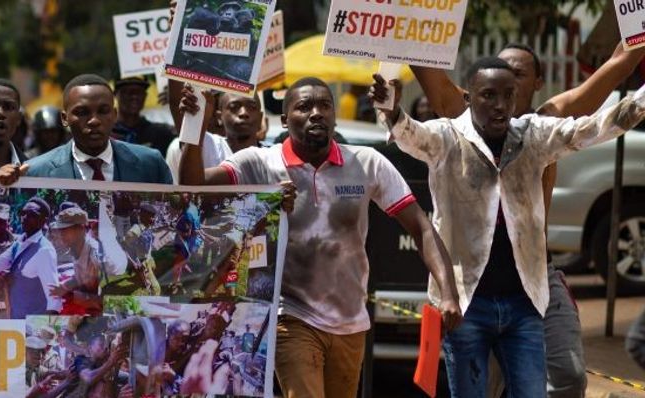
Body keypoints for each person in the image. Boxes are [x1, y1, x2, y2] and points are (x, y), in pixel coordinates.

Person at [369, 55, 645, 397]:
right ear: (469, 98)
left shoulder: (533, 133)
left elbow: (593, 128)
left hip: (524, 303)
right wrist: (390, 109)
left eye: (508, 96)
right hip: (466, 306)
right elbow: (409, 134)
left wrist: (641, 99)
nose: (500, 106)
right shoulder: (447, 138)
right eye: (488, 96)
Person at [178, 78, 462, 398]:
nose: (316, 113)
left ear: (334, 116)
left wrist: (448, 291)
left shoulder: (367, 163)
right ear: (285, 121)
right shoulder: (258, 163)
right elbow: (192, 188)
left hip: (351, 323)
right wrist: (194, 129)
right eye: (304, 107)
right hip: (291, 317)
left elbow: (422, 227)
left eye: (324, 106)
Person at [0, 74, 173, 185]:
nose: (94, 121)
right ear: (65, 119)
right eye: (82, 112)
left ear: (114, 115)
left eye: (103, 111)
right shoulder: (35, 173)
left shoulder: (151, 164)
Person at [0, 197, 61, 319]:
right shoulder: (19, 244)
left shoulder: (44, 251)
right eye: (23, 213)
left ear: (43, 221)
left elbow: (54, 300)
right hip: (14, 318)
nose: (25, 218)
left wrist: (43, 330)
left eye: (32, 215)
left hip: (30, 323)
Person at [48, 207, 116, 316]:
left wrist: (75, 296)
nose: (61, 235)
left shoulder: (96, 256)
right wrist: (63, 287)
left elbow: (110, 301)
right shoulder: (77, 248)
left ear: (81, 229)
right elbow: (80, 278)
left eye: (65, 230)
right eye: (60, 230)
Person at [111, 77, 174, 153]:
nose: (134, 97)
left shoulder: (161, 133)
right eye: (128, 92)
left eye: (139, 92)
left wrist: (176, 104)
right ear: (115, 95)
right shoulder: (106, 134)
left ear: (145, 95)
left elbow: (185, 143)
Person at [122, 204, 161, 295]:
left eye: (154, 216)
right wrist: (135, 262)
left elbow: (148, 244)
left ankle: (142, 278)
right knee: (156, 289)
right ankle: (148, 287)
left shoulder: (148, 227)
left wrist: (149, 255)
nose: (154, 219)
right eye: (151, 216)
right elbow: (124, 245)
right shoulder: (136, 230)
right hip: (142, 261)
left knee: (153, 267)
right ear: (144, 216)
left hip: (148, 258)